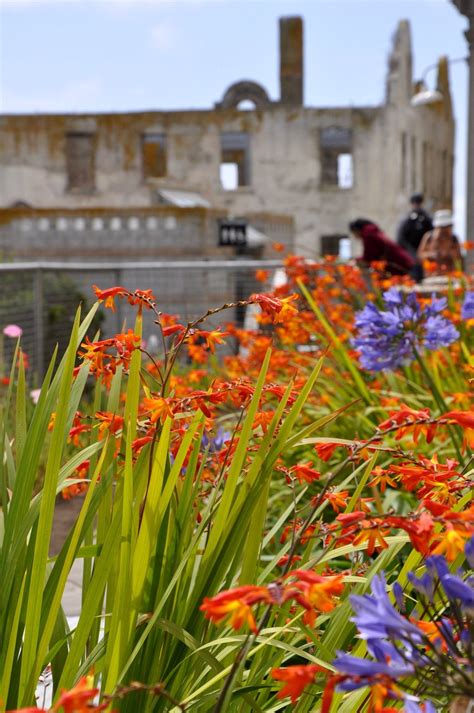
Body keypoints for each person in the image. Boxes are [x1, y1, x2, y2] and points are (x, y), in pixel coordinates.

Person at [349, 218, 415, 276]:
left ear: (356, 230)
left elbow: (369, 257)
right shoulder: (371, 231)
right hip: (402, 261)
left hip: (397, 264)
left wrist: (356, 261)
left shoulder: (368, 235)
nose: (355, 237)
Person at [417, 209, 463, 275]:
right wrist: (432, 254)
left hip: (450, 275)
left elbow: (459, 258)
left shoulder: (454, 238)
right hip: (432, 275)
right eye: (442, 227)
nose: (444, 230)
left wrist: (450, 253)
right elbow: (419, 256)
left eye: (447, 226)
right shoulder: (429, 237)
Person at [396, 193, 433, 258]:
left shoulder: (427, 220)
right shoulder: (407, 221)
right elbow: (401, 239)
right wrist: (412, 253)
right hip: (410, 255)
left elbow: (432, 235)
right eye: (414, 203)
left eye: (418, 203)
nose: (416, 205)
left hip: (424, 255)